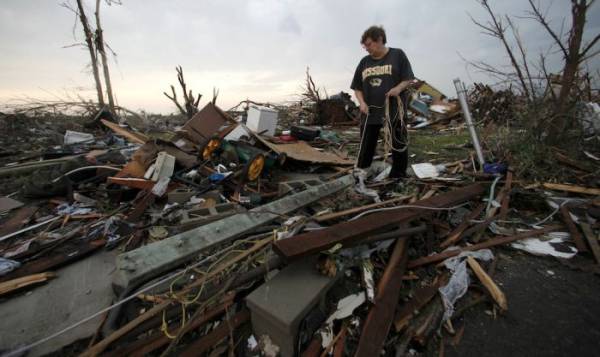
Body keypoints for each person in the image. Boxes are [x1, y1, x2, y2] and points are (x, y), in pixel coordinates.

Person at [351, 25, 417, 179]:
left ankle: (398, 174)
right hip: (370, 110)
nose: (366, 48)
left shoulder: (397, 55)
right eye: (364, 45)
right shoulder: (364, 62)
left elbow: (408, 78)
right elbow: (357, 87)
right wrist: (361, 103)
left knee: (398, 141)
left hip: (393, 108)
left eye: (369, 44)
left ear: (380, 39)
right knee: (366, 143)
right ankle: (362, 171)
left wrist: (398, 89)